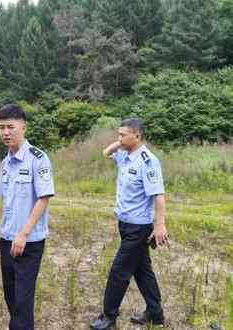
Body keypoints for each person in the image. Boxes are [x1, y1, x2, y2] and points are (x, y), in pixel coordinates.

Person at [90, 118, 168, 329]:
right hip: (125, 224)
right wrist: (121, 142)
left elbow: (158, 195)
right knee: (142, 270)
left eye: (124, 135)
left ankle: (108, 316)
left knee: (119, 271)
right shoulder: (125, 155)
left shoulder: (147, 161)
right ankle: (155, 313)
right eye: (119, 134)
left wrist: (160, 225)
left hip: (138, 228)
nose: (119, 138)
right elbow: (105, 153)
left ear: (138, 136)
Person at [0, 104, 55, 330]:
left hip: (28, 241)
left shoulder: (37, 159)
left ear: (23, 127)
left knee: (22, 299)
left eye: (10, 127)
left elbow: (43, 199)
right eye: (1, 128)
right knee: (10, 294)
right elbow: (6, 200)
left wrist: (23, 233)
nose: (5, 133)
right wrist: (1, 232)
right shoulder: (5, 162)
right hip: (7, 238)